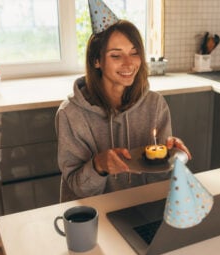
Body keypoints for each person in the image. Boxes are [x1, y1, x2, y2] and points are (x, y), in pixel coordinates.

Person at [55, 2, 191, 202]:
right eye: (116, 55)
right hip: (94, 212)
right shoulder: (71, 114)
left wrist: (172, 157)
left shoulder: (155, 105)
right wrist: (98, 166)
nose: (129, 63)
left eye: (134, 53)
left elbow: (162, 178)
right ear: (97, 61)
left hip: (143, 206)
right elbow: (77, 189)